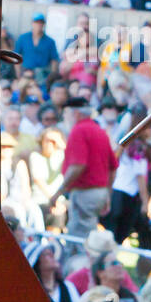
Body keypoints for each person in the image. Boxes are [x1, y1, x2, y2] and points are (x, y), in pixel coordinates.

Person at [49, 97, 118, 240]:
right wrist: (107, 193)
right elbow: (113, 167)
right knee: (88, 234)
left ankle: (83, 262)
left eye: (66, 113)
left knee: (79, 239)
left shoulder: (79, 130)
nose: (64, 117)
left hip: (85, 193)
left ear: (75, 113)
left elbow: (78, 166)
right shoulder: (100, 131)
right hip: (98, 192)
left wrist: (58, 192)